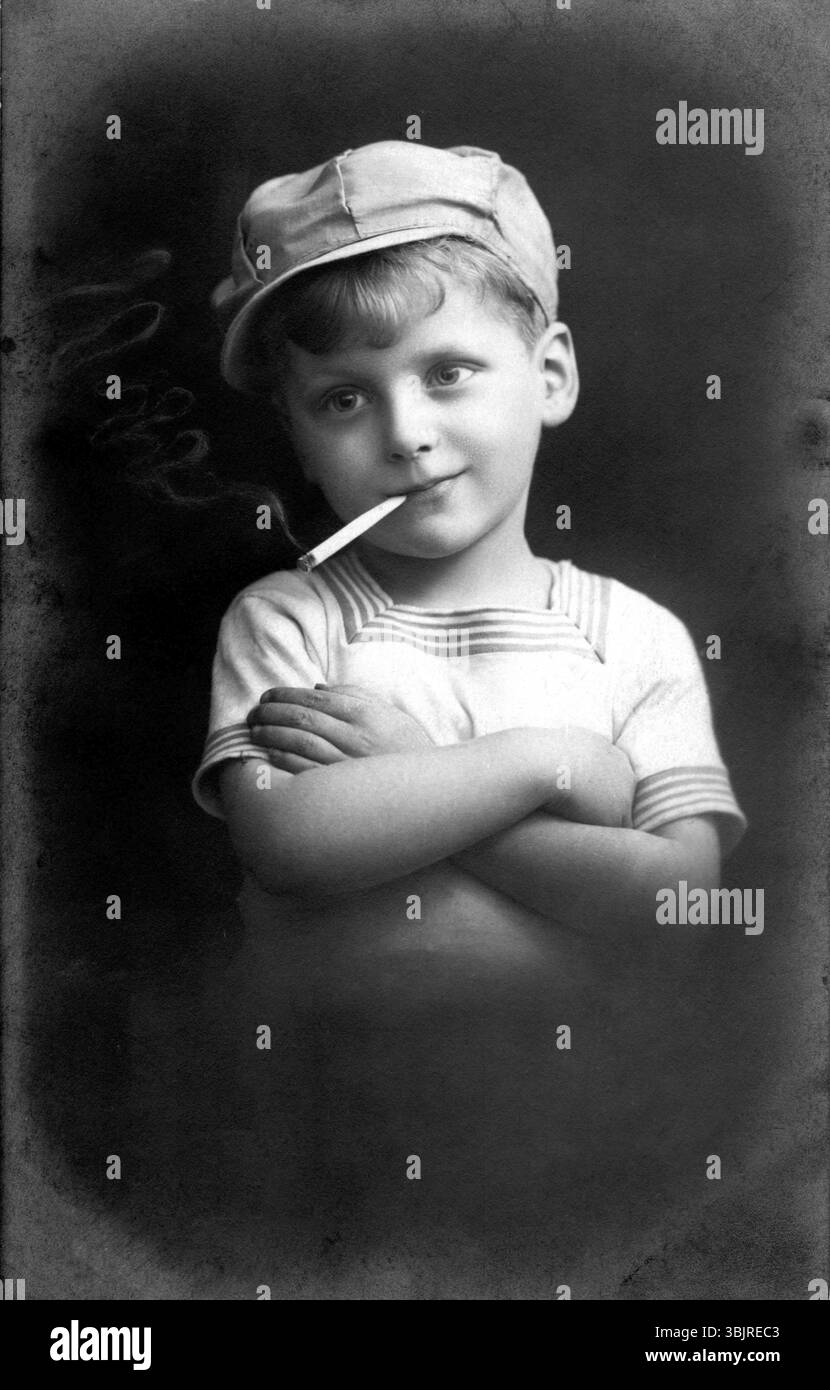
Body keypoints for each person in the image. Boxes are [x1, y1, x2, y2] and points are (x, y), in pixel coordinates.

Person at [191, 141, 747, 1294]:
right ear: (297, 432)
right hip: (310, 1120)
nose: (402, 430)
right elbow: (288, 843)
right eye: (343, 397)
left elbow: (679, 903)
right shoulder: (290, 618)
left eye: (447, 373)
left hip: (571, 1124)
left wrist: (418, 777)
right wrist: (548, 766)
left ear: (547, 373)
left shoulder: (630, 634)